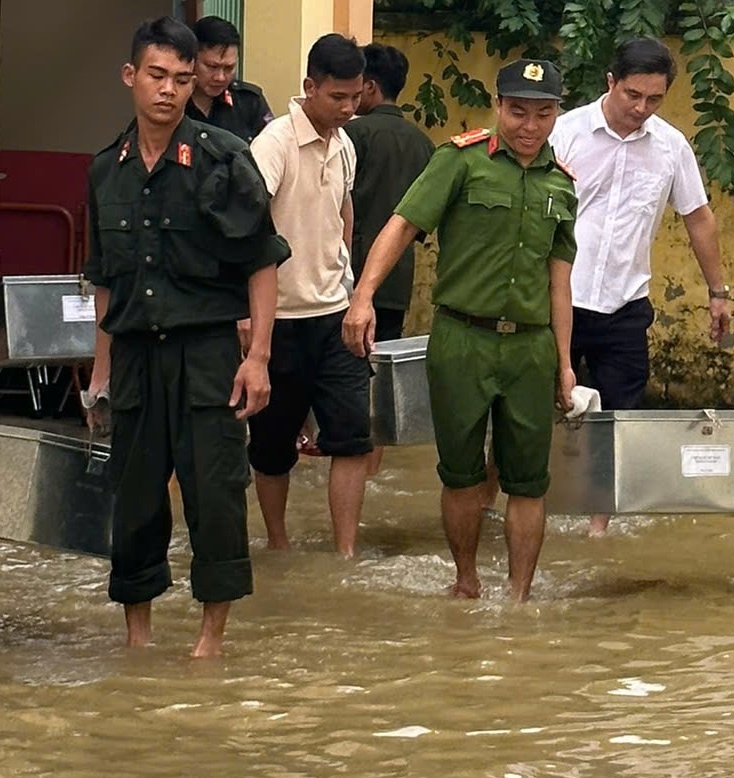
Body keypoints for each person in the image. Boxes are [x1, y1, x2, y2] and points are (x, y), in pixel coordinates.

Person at [83, 16, 287, 655]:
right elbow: (105, 281)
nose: (168, 90)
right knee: (135, 500)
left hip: (206, 356)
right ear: (130, 77)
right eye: (156, 76)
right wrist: (99, 373)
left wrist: (257, 358)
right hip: (136, 358)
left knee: (216, 495)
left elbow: (260, 260)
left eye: (181, 78)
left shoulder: (223, 159)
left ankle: (209, 643)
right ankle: (138, 638)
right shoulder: (104, 172)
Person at [344, 58, 577, 601]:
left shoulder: (562, 184)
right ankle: (466, 579)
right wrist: (363, 297)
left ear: (555, 116)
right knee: (461, 472)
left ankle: (520, 596)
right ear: (498, 107)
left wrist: (565, 365)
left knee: (528, 480)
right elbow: (402, 224)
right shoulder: (460, 160)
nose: (529, 126)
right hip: (461, 339)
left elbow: (559, 282)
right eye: (518, 111)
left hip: (530, 346)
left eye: (543, 115)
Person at [549, 37, 731, 536]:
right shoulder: (562, 134)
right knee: (531, 409)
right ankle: (508, 509)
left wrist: (718, 293)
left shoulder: (671, 146)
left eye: (654, 99)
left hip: (626, 304)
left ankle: (598, 527)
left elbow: (698, 219)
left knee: (620, 419)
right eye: (632, 95)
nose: (641, 108)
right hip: (554, 300)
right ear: (610, 82)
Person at [246, 34, 372, 556]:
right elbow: (247, 227)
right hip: (278, 320)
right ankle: (278, 545)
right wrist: (246, 318)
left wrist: (352, 291)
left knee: (352, 440)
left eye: (355, 97)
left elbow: (344, 212)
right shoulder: (273, 144)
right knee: (273, 448)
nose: (347, 108)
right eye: (336, 97)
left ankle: (345, 553)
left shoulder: (345, 143)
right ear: (309, 87)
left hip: (335, 317)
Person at [343, 43, 437, 344]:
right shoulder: (423, 143)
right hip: (397, 278)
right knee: (385, 361)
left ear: (369, 87)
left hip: (350, 274)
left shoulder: (351, 134)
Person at [187, 15, 274, 142]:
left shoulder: (249, 101)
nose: (220, 77)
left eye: (229, 68)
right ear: (192, 60)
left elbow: (271, 146)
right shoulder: (175, 101)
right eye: (212, 67)